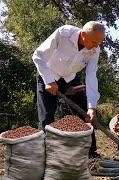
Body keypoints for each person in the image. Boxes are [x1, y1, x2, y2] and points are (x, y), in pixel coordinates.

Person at [33, 21, 105, 158]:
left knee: (85, 115)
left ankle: (91, 153)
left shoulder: (95, 50)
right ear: (83, 35)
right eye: (94, 41)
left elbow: (91, 77)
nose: (97, 46)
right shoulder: (63, 34)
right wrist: (49, 80)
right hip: (48, 75)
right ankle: (42, 155)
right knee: (46, 116)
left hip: (70, 79)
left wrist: (92, 107)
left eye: (99, 42)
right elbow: (38, 56)